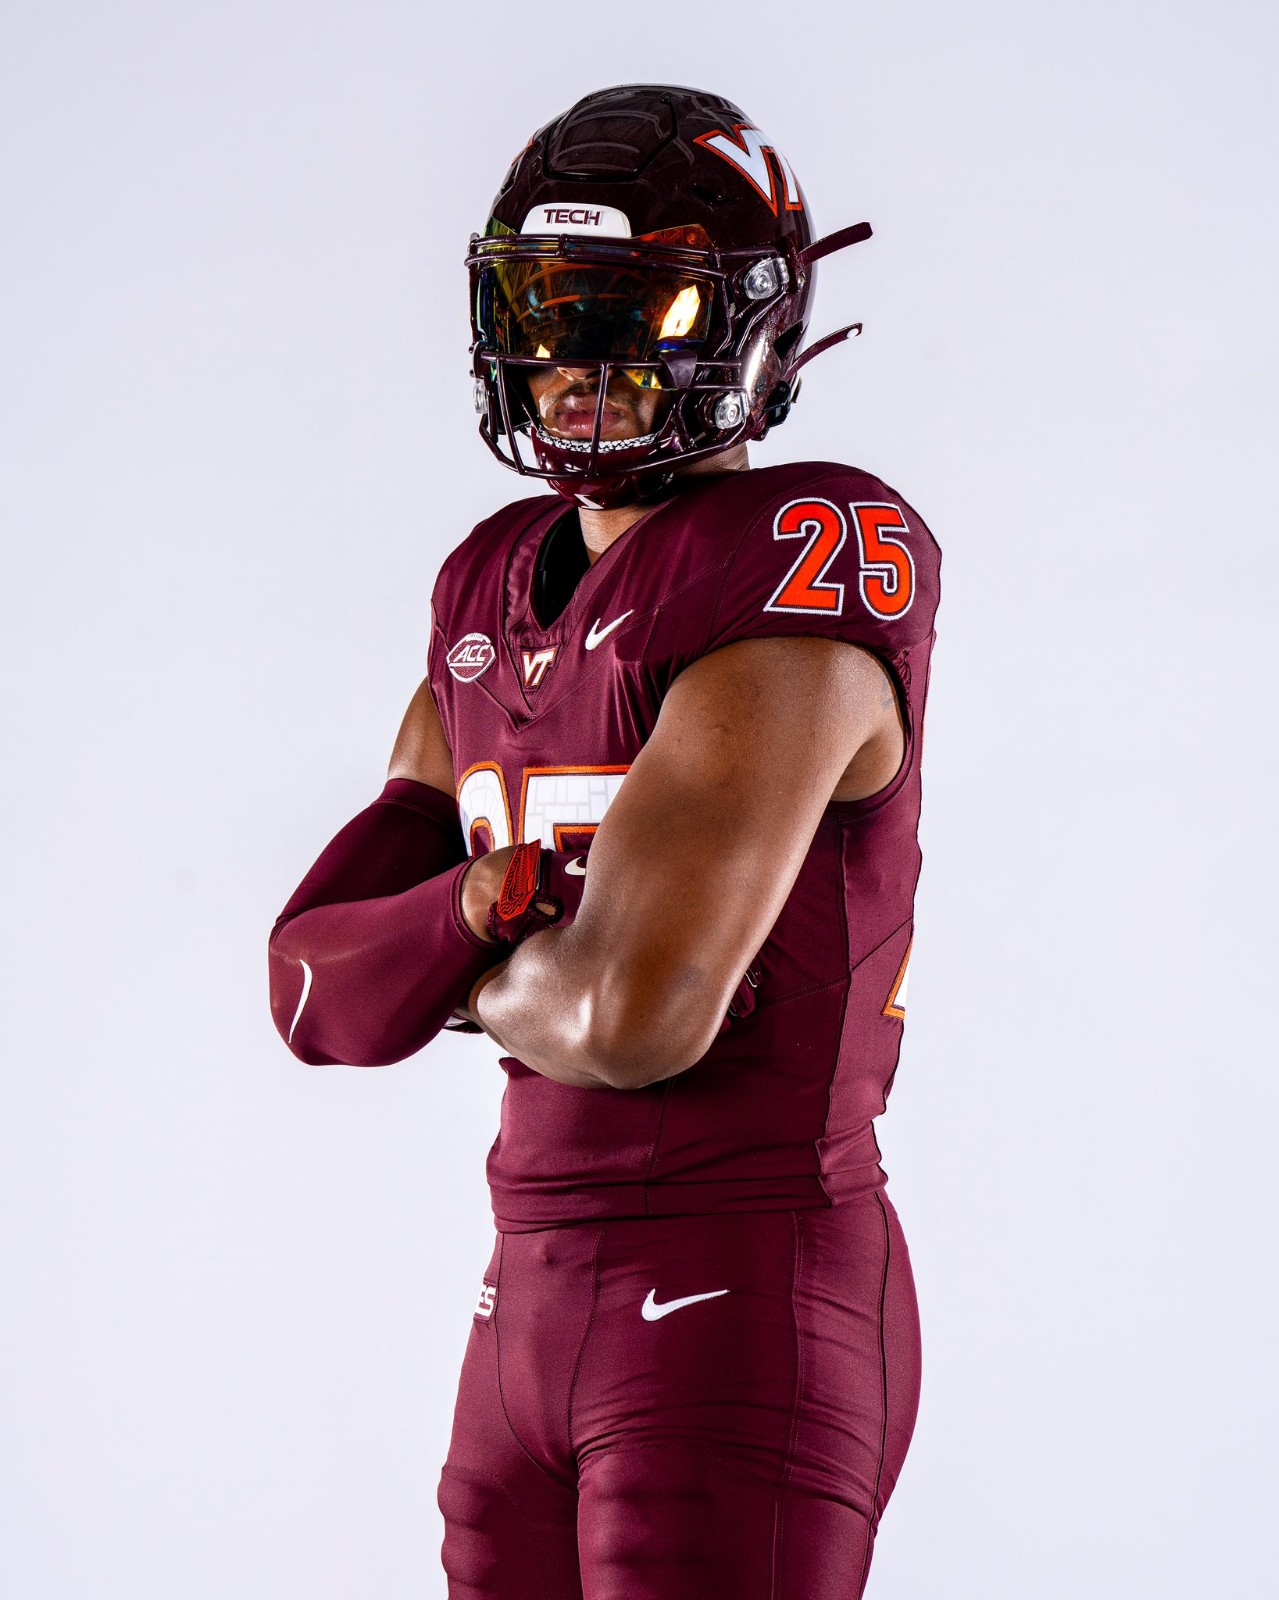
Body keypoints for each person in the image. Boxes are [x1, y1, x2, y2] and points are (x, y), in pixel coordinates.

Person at [269, 82, 940, 1600]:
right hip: (522, 1301)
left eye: (647, 313)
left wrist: (448, 943)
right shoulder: (492, 592)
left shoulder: (797, 579)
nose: (584, 365)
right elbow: (311, 993)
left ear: (755, 329)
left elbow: (631, 1017)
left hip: (738, 1291)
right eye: (549, 311)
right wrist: (482, 919)